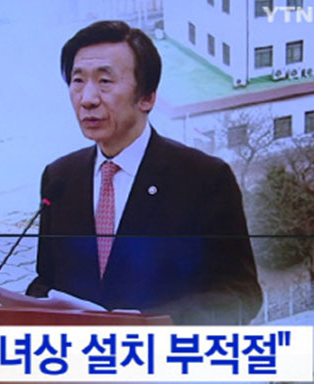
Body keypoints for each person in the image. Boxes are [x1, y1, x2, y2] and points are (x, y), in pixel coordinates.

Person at [26, 20, 262, 325]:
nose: (87, 99)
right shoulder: (60, 177)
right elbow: (47, 280)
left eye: (105, 81)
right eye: (78, 80)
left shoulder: (204, 179)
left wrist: (158, 324)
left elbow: (240, 294)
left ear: (147, 97)